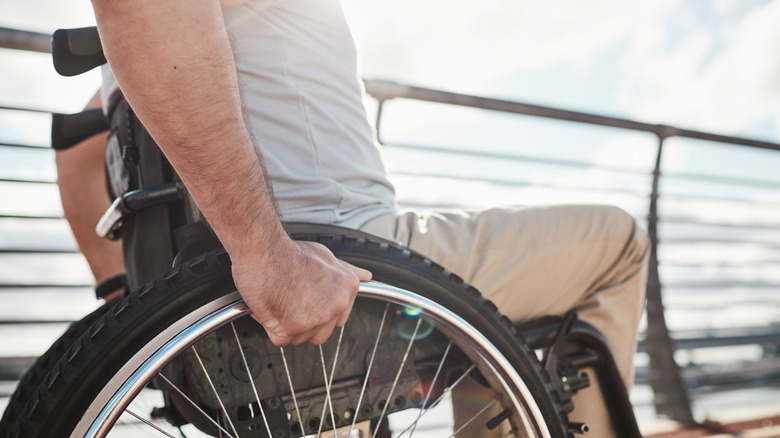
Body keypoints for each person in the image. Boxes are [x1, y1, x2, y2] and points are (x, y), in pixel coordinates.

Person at [57, 0, 649, 435]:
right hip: (338, 258)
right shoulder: (157, 33)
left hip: (220, 287)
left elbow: (79, 150)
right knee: (618, 243)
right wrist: (264, 253)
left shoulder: (129, 67)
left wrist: (123, 298)